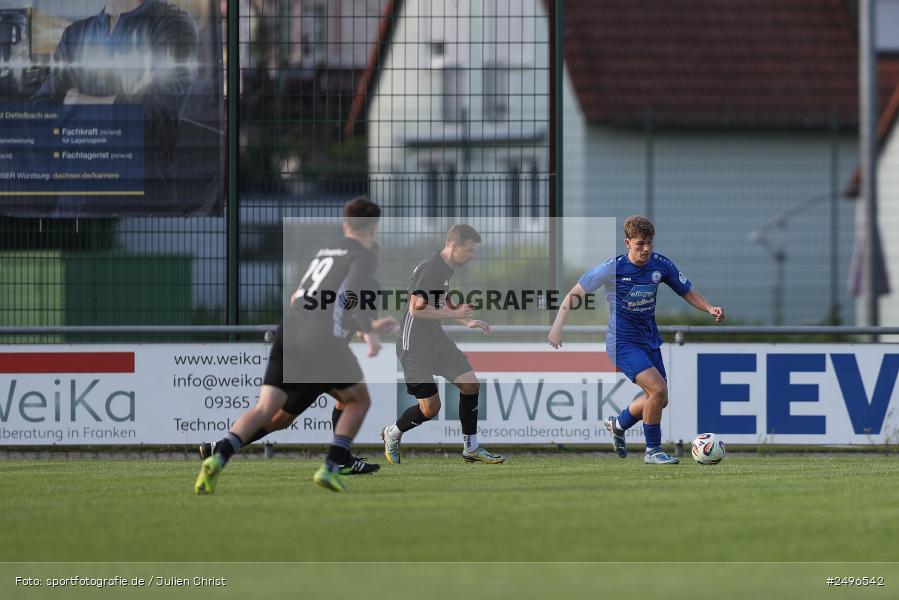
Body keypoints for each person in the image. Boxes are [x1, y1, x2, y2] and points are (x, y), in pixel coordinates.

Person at [195, 197, 393, 493]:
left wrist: (366, 326)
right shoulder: (362, 256)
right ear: (374, 228)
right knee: (358, 401)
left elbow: (297, 296)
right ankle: (332, 465)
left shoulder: (325, 252)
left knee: (268, 410)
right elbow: (352, 295)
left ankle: (220, 454)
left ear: (345, 223)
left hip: (287, 332)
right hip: (323, 341)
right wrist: (370, 331)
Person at [548, 215, 724, 465]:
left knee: (660, 400)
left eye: (650, 243)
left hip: (648, 340)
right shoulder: (612, 268)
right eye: (640, 243)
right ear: (627, 242)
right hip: (622, 342)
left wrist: (709, 308)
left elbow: (687, 292)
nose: (646, 249)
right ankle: (653, 450)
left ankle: (618, 423)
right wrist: (557, 325)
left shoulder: (660, 265)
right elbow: (574, 293)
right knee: (658, 390)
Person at [30, 0, 199, 211]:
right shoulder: (74, 34)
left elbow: (155, 114)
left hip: (140, 212)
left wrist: (78, 102)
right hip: (73, 209)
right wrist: (123, 104)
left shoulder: (172, 24)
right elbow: (39, 114)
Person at [379, 224, 504, 465]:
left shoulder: (445, 268)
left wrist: (464, 319)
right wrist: (452, 316)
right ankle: (392, 433)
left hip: (436, 340)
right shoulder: (431, 268)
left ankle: (471, 447)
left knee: (470, 385)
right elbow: (417, 309)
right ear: (453, 246)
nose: (472, 256)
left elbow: (440, 299)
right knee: (430, 409)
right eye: (469, 251)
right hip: (414, 345)